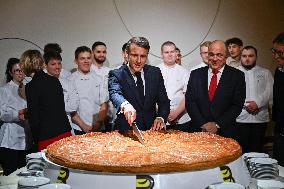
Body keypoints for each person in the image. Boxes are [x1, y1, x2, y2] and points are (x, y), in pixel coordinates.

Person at [185, 40, 246, 139]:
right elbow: (190, 101)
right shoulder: (196, 74)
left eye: (219, 55)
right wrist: (203, 124)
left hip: (225, 131)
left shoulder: (237, 76)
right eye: (211, 54)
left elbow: (237, 105)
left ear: (226, 56)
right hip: (198, 130)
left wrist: (217, 125)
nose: (214, 58)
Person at [108, 37, 170, 131]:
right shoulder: (117, 74)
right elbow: (114, 93)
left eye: (143, 56)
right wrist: (125, 105)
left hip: (152, 131)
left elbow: (164, 101)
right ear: (127, 54)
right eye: (134, 55)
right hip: (127, 131)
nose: (139, 60)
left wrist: (161, 117)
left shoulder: (155, 72)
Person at [20, 50, 72, 151]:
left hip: (47, 136)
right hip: (65, 131)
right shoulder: (54, 80)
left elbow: (34, 118)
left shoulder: (31, 86)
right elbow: (53, 106)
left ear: (26, 64)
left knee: (50, 167)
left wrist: (36, 141)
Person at [236, 46, 273, 153]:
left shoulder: (265, 72)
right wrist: (246, 105)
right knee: (241, 149)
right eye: (244, 56)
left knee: (257, 149)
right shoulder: (234, 73)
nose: (247, 59)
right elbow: (232, 93)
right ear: (241, 57)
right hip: (241, 118)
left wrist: (257, 103)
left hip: (260, 117)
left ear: (256, 57)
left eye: (251, 56)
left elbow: (269, 91)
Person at [68, 46, 109, 135]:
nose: (86, 61)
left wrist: (97, 123)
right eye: (82, 58)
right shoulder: (70, 80)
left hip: (98, 127)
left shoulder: (99, 79)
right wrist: (83, 126)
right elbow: (71, 110)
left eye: (88, 58)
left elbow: (104, 104)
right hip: (78, 128)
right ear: (76, 61)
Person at [0, 58, 29, 175]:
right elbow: (2, 114)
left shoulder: (28, 88)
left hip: (26, 137)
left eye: (22, 70)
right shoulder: (4, 90)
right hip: (10, 139)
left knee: (24, 174)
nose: (20, 73)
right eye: (17, 70)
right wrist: (19, 114)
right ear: (11, 73)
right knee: (11, 175)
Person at [157, 41, 190, 131]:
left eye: (172, 51)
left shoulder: (184, 72)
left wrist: (176, 112)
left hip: (182, 118)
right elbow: (151, 95)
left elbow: (188, 95)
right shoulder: (155, 71)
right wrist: (164, 113)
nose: (170, 54)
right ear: (162, 54)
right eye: (166, 52)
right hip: (160, 118)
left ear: (176, 53)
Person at [43, 50, 79, 127]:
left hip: (66, 124)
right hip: (48, 126)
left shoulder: (68, 82)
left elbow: (74, 105)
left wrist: (54, 106)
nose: (57, 67)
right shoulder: (41, 84)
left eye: (59, 63)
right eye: (53, 64)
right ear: (45, 65)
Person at [271, 32, 284, 166]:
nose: (275, 56)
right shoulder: (279, 71)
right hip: (280, 128)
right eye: (274, 51)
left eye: (280, 52)